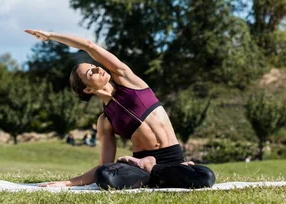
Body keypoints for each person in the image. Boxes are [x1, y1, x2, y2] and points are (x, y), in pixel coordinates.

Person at [25, 29, 215, 191]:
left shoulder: (128, 80)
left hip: (173, 160)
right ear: (88, 90)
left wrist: (50, 36)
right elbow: (104, 165)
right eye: (90, 72)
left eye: (93, 65)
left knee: (204, 177)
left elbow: (89, 46)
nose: (98, 69)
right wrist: (67, 183)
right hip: (139, 165)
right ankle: (152, 171)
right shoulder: (105, 121)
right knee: (104, 175)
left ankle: (155, 171)